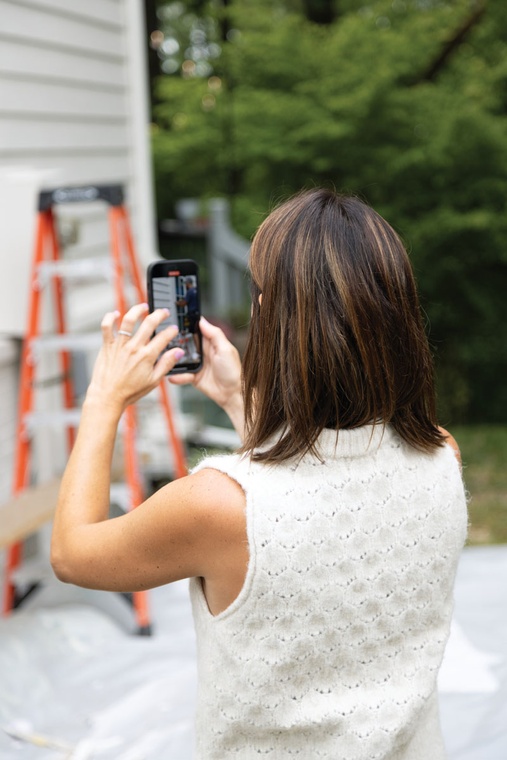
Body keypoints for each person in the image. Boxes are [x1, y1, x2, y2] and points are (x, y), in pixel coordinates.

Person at [51, 188, 467, 760]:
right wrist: (237, 399)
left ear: (271, 316)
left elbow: (73, 554)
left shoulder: (217, 505)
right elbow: (324, 499)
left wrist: (103, 400)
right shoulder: (443, 457)